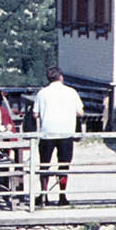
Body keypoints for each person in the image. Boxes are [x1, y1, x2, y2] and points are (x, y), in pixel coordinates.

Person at [34, 66, 85, 206]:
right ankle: (62, 195)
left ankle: (43, 195)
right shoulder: (71, 92)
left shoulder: (42, 93)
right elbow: (80, 112)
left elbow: (35, 114)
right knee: (63, 165)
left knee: (44, 164)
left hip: (47, 133)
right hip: (65, 133)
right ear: (61, 77)